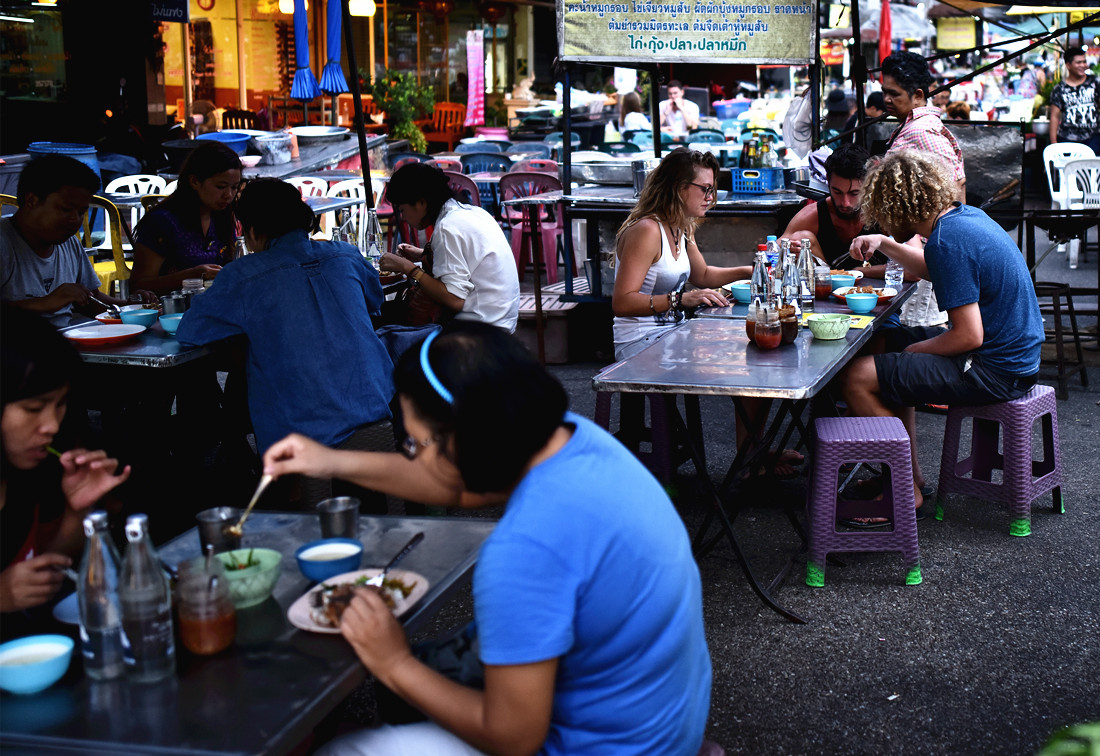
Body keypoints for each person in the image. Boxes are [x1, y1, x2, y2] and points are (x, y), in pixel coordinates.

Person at [263, 324, 712, 756]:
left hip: (600, 746)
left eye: (415, 444)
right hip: (664, 725)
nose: (413, 454)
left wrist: (393, 663)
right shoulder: (570, 438)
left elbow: (514, 738)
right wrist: (330, 462)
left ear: (462, 442)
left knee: (344, 750)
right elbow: (456, 483)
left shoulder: (525, 550)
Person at [842, 150, 1043, 513]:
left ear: (899, 206)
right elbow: (932, 269)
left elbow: (968, 336)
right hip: (1014, 357)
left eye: (883, 213)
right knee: (888, 344)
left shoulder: (947, 241)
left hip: (994, 369)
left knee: (858, 376)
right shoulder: (962, 219)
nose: (881, 222)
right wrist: (886, 245)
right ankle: (908, 476)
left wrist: (915, 354)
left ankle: (903, 489)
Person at [176, 179, 395, 506]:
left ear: (249, 229)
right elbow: (375, 299)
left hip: (301, 430)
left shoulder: (243, 275)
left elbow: (190, 332)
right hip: (377, 409)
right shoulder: (346, 255)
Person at [1, 307, 131, 637]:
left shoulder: (30, 469)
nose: (51, 425)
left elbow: (48, 564)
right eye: (33, 408)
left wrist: (78, 509)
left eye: (60, 404)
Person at [612, 148, 747, 359]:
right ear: (679, 188)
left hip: (671, 331)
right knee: (730, 358)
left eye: (712, 190)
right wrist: (681, 299)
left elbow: (701, 275)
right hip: (640, 339)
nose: (710, 197)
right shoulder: (647, 230)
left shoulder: (682, 225)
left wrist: (750, 270)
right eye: (705, 189)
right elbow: (622, 303)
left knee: (739, 349)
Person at [1, 155, 156, 327]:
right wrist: (44, 303)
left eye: (82, 212)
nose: (75, 220)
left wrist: (130, 307)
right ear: (32, 201)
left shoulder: (67, 240)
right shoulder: (4, 242)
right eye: (66, 209)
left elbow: (91, 299)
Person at [379, 162, 520, 333]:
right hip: (503, 320)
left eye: (403, 210)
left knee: (388, 328)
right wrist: (423, 254)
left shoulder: (447, 227)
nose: (403, 217)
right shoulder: (473, 212)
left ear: (421, 202)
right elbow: (466, 259)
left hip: (481, 328)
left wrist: (407, 268)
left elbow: (455, 299)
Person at [131, 141, 242, 294]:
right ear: (195, 182)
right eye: (220, 186)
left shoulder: (222, 216)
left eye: (234, 187)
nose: (228, 195)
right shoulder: (162, 221)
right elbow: (139, 285)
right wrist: (192, 275)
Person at [780, 143, 885, 270]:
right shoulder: (812, 216)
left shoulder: (883, 212)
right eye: (837, 192)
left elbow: (912, 270)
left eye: (854, 193)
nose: (845, 203)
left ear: (869, 186)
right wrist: (786, 252)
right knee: (799, 239)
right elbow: (770, 254)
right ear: (828, 183)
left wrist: (859, 272)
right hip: (827, 286)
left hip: (882, 288)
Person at [881, 50, 966, 200]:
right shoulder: (912, 125)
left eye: (894, 94)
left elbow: (955, 187)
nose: (887, 99)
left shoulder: (922, 131)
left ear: (918, 96)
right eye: (885, 92)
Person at [1049, 46, 1100, 152]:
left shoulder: (1095, 83)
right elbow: (1054, 117)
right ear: (1068, 65)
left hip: (1093, 137)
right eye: (1078, 62)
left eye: (1084, 62)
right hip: (1068, 138)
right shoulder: (1059, 89)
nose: (1083, 65)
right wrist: (1054, 144)